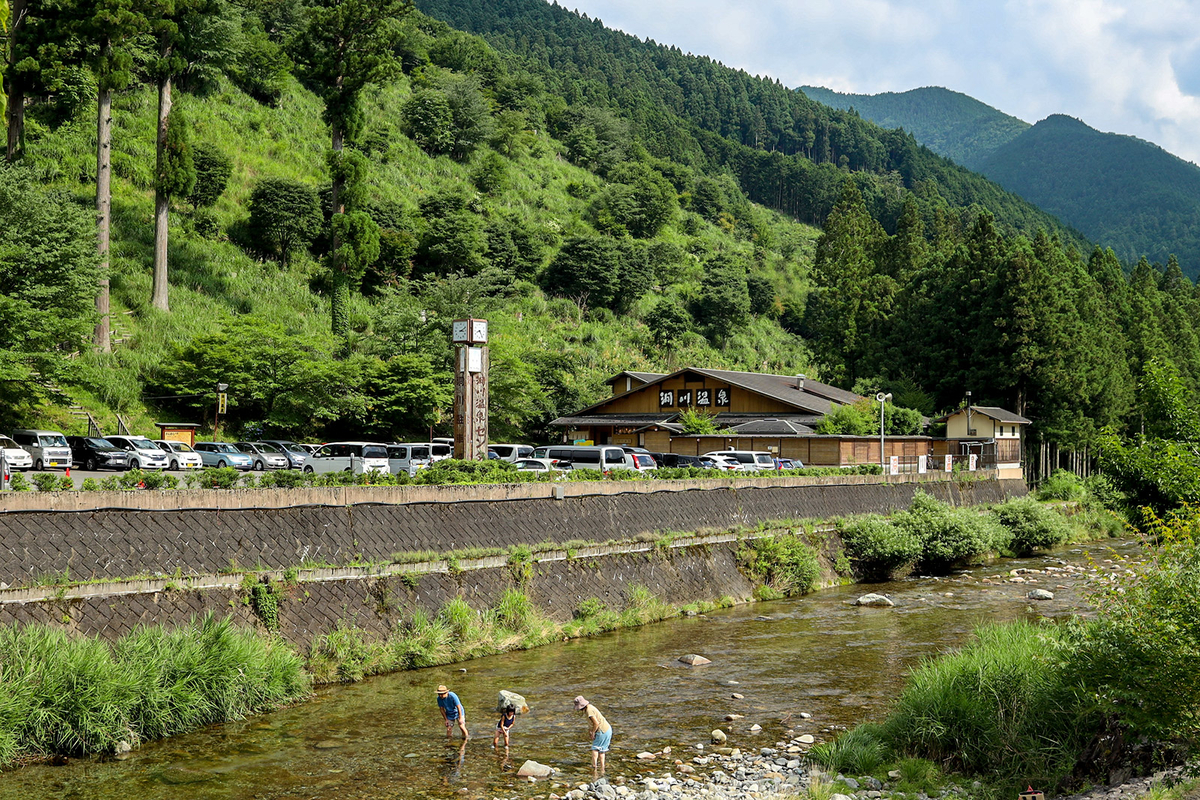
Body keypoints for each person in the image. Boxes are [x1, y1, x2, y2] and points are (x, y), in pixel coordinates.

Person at [573, 695, 611, 775]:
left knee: (595, 749)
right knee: (602, 750)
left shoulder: (589, 711)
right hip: (607, 729)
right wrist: (590, 730)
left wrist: (593, 732)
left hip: (601, 730)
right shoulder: (590, 707)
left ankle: (594, 767)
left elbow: (596, 723)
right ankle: (602, 768)